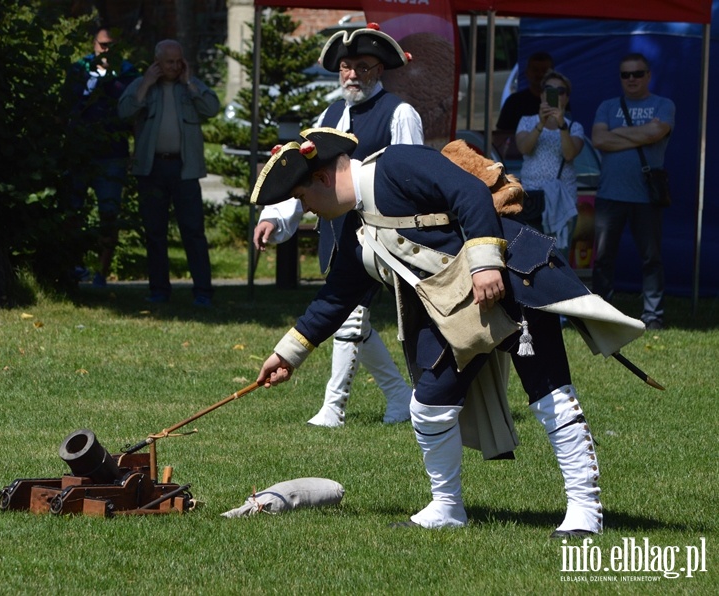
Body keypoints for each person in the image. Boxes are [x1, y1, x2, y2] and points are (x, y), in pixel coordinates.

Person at [252, 127, 644, 536]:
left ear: (322, 178)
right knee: (429, 407)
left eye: (302, 197)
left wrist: (485, 262)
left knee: (550, 396)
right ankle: (447, 508)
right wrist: (287, 355)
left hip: (512, 280)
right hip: (452, 314)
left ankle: (585, 510)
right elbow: (334, 299)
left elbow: (469, 193)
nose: (307, 208)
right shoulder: (355, 233)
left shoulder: (397, 163)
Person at [253, 24, 422, 427]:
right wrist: (274, 217)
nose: (351, 75)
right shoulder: (330, 114)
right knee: (350, 313)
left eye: (362, 67)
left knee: (351, 315)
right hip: (337, 233)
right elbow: (308, 175)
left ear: (379, 70)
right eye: (345, 67)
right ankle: (400, 397)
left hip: (381, 235)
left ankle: (334, 406)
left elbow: (413, 178)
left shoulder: (400, 113)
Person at [118, 39, 219, 306]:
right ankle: (159, 291)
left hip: (184, 168)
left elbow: (212, 108)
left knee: (193, 231)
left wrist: (190, 83)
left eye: (178, 61)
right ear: (157, 62)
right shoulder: (143, 84)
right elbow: (124, 111)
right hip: (151, 168)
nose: (174, 67)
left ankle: (203, 292)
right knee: (155, 232)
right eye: (169, 62)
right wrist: (145, 84)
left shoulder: (190, 85)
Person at [591, 54, 674, 331]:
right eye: (626, 75)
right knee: (603, 257)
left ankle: (653, 315)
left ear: (648, 75)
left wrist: (620, 133)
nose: (632, 79)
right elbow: (599, 139)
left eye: (637, 73)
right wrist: (644, 132)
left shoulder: (664, 104)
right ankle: (602, 312)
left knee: (651, 258)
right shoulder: (607, 105)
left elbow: (657, 133)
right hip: (609, 195)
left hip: (646, 197)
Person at [64, 26, 138, 287]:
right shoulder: (79, 70)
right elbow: (67, 107)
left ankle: (101, 273)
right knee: (73, 210)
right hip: (81, 153)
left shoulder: (129, 75)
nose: (107, 51)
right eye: (103, 45)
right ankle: (74, 267)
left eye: (112, 46)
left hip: (113, 155)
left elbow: (135, 115)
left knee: (109, 213)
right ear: (94, 44)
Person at [514, 70, 584, 257]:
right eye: (549, 89)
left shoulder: (574, 126)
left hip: (563, 200)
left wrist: (561, 125)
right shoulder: (527, 121)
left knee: (558, 257)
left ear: (566, 98)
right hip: (531, 199)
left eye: (560, 91)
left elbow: (570, 154)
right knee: (530, 255)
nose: (554, 93)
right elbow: (524, 148)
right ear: (542, 94)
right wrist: (541, 124)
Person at [496, 52, 554, 133]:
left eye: (544, 71)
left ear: (552, 74)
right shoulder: (513, 102)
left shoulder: (558, 101)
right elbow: (501, 135)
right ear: (527, 73)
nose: (540, 74)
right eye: (535, 70)